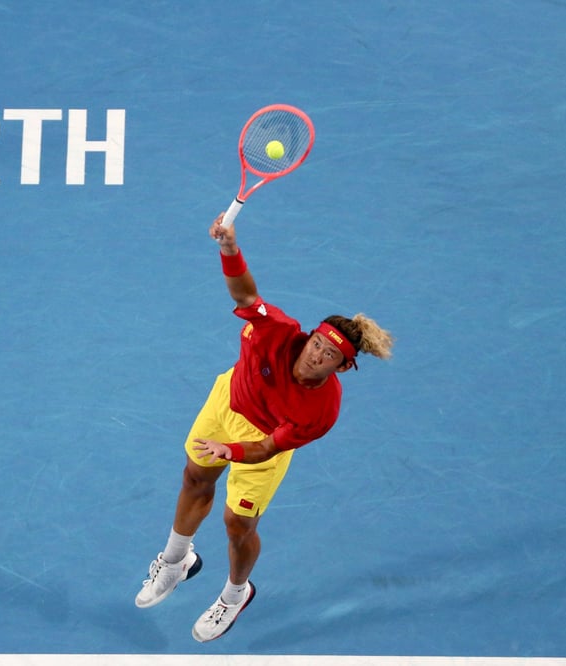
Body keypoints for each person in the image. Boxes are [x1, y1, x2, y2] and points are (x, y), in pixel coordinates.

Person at [134, 212, 394, 642]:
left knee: (238, 525)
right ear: (309, 335)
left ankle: (236, 594)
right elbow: (245, 293)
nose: (315, 355)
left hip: (261, 442)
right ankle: (177, 559)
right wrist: (230, 249)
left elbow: (267, 449)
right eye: (316, 343)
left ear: (343, 368)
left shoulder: (321, 411)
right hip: (226, 400)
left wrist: (230, 451)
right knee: (195, 477)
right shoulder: (276, 329)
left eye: (328, 355)